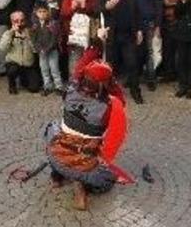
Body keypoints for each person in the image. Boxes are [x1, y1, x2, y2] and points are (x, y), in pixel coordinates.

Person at [45, 41, 131, 210]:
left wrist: (95, 44)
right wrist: (110, 80)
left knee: (52, 128)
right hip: (84, 163)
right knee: (108, 179)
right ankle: (81, 185)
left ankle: (57, 175)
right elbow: (120, 98)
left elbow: (80, 67)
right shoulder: (110, 106)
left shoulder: (71, 89)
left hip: (57, 156)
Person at [99, 0, 145, 104]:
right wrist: (106, 7)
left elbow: (137, 13)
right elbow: (96, 10)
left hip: (128, 35)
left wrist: (139, 30)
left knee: (132, 63)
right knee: (110, 65)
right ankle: (107, 93)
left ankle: (135, 90)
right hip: (111, 34)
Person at [0, 11, 39, 94]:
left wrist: (30, 37)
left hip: (28, 64)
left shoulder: (29, 32)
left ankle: (23, 79)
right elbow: (2, 47)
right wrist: (11, 33)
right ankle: (12, 84)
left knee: (34, 88)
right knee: (12, 70)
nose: (19, 23)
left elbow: (35, 49)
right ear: (12, 22)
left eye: (22, 20)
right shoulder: (8, 33)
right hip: (14, 63)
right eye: (16, 21)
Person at [31, 2, 63, 96]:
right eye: (40, 12)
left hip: (52, 50)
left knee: (54, 69)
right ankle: (47, 86)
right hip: (41, 52)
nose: (42, 14)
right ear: (36, 13)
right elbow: (34, 39)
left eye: (44, 11)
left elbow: (54, 38)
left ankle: (59, 86)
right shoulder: (35, 25)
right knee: (44, 69)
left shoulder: (52, 24)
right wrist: (39, 49)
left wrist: (48, 48)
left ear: (48, 12)